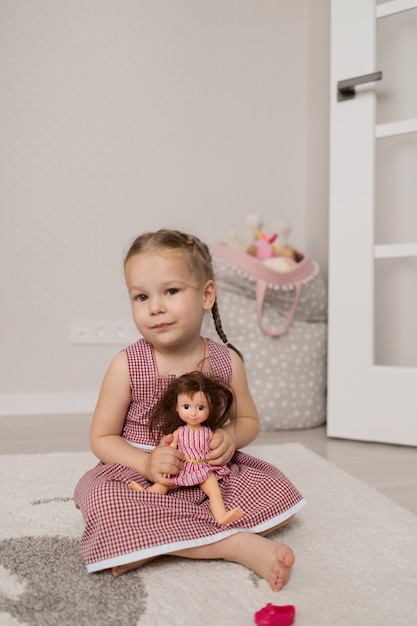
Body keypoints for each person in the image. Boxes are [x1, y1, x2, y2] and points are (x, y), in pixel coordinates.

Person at [74, 229, 306, 592]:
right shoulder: (127, 365)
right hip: (146, 473)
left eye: (171, 291)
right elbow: (102, 438)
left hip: (205, 472)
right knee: (100, 496)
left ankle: (152, 543)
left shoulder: (225, 361)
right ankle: (234, 545)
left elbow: (248, 421)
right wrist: (147, 464)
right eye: (141, 296)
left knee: (277, 492)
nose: (155, 307)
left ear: (206, 295)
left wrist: (228, 437)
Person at [129, 371, 244, 525]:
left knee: (214, 491)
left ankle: (221, 516)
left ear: (210, 409)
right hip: (182, 466)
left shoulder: (208, 432)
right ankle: (146, 495)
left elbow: (212, 452)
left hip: (203, 467)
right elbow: (171, 450)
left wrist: (221, 469)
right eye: (186, 406)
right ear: (177, 407)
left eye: (201, 408)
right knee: (163, 484)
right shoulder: (179, 432)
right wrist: (166, 467)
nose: (193, 413)